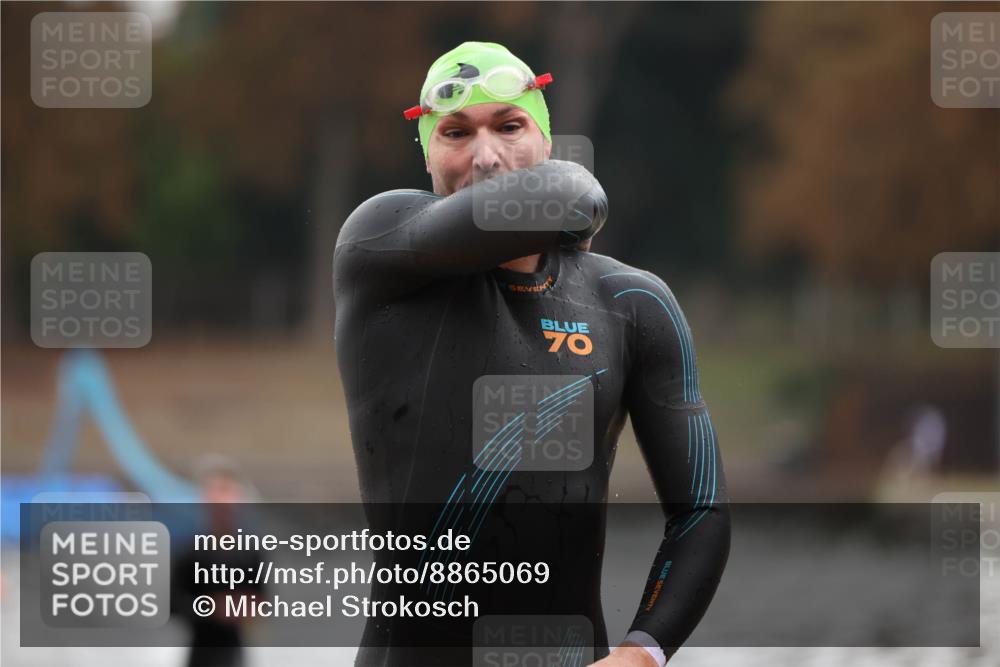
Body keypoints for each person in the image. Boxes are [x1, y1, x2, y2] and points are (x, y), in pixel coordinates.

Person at [334, 42, 730, 667]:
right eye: (456, 132)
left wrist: (642, 653)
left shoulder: (632, 302)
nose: (486, 156)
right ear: (429, 152)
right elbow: (574, 193)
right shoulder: (381, 250)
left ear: (544, 139)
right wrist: (569, 209)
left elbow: (700, 510)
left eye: (510, 126)